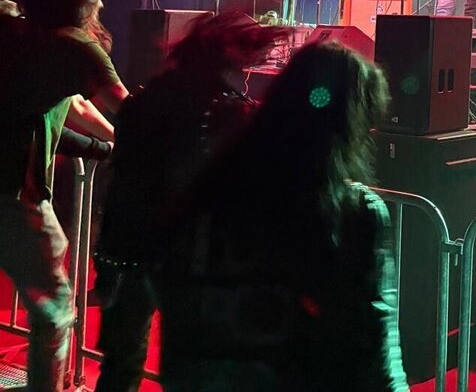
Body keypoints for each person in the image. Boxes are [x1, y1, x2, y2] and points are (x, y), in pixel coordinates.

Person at [158, 42, 408, 391]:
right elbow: (376, 343)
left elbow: (176, 298)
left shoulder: (211, 189)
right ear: (350, 122)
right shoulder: (354, 211)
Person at [93, 13, 289, 392]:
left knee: (121, 364)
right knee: (191, 366)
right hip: (184, 256)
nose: (250, 69)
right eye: (248, 57)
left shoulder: (147, 96)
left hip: (124, 244)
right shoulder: (223, 108)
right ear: (228, 54)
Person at [0, 0, 130, 392]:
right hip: (12, 191)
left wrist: (110, 143)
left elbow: (74, 104)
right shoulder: (77, 45)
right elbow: (121, 103)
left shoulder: (21, 31)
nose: (101, 7)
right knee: (55, 306)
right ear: (83, 0)